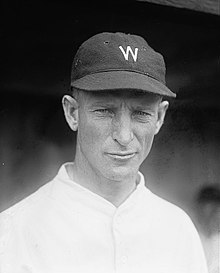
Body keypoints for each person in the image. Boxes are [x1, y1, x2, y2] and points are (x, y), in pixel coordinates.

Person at [0, 32, 208, 273]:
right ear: (72, 113)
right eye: (105, 111)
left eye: (141, 114)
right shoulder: (14, 232)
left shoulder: (178, 229)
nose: (124, 136)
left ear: (159, 117)